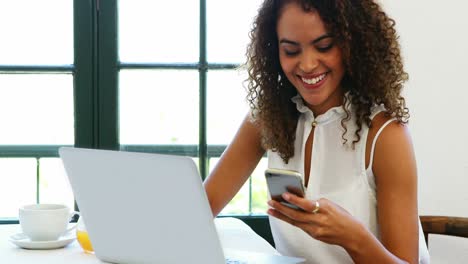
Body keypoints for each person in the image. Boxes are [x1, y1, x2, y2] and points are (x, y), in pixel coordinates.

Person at [204, 0, 430, 263]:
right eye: (290, 51)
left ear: (351, 44)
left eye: (324, 46)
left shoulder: (386, 135)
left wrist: (352, 236)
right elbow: (201, 208)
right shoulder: (267, 119)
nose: (308, 64)